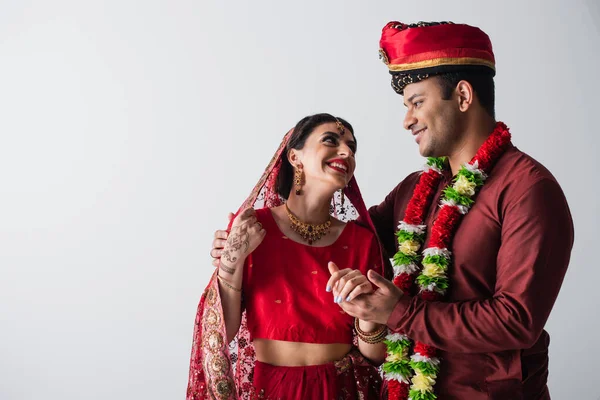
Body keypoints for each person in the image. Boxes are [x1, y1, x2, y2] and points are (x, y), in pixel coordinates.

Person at [211, 22, 574, 400]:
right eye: (406, 107)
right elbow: (339, 239)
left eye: (417, 102)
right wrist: (241, 251)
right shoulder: (416, 190)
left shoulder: (528, 190)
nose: (407, 120)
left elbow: (516, 322)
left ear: (463, 96)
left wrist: (399, 311)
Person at [187, 113, 391, 400]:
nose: (346, 152)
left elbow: (377, 356)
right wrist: (232, 262)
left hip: (341, 389)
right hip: (272, 389)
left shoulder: (362, 242)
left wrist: (366, 314)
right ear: (294, 157)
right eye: (331, 140)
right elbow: (223, 332)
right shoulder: (252, 229)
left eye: (352, 147)